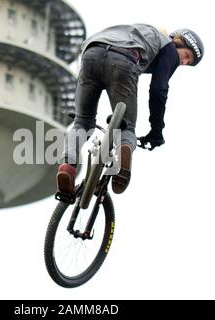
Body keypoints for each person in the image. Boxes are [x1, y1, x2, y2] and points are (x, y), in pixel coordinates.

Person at [56, 24, 204, 196]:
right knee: (126, 127)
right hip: (124, 59)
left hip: (91, 53)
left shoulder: (139, 32)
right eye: (186, 56)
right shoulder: (169, 48)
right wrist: (156, 131)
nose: (183, 63)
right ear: (179, 41)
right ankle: (123, 167)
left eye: (187, 63)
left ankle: (67, 167)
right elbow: (158, 90)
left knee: (82, 122)